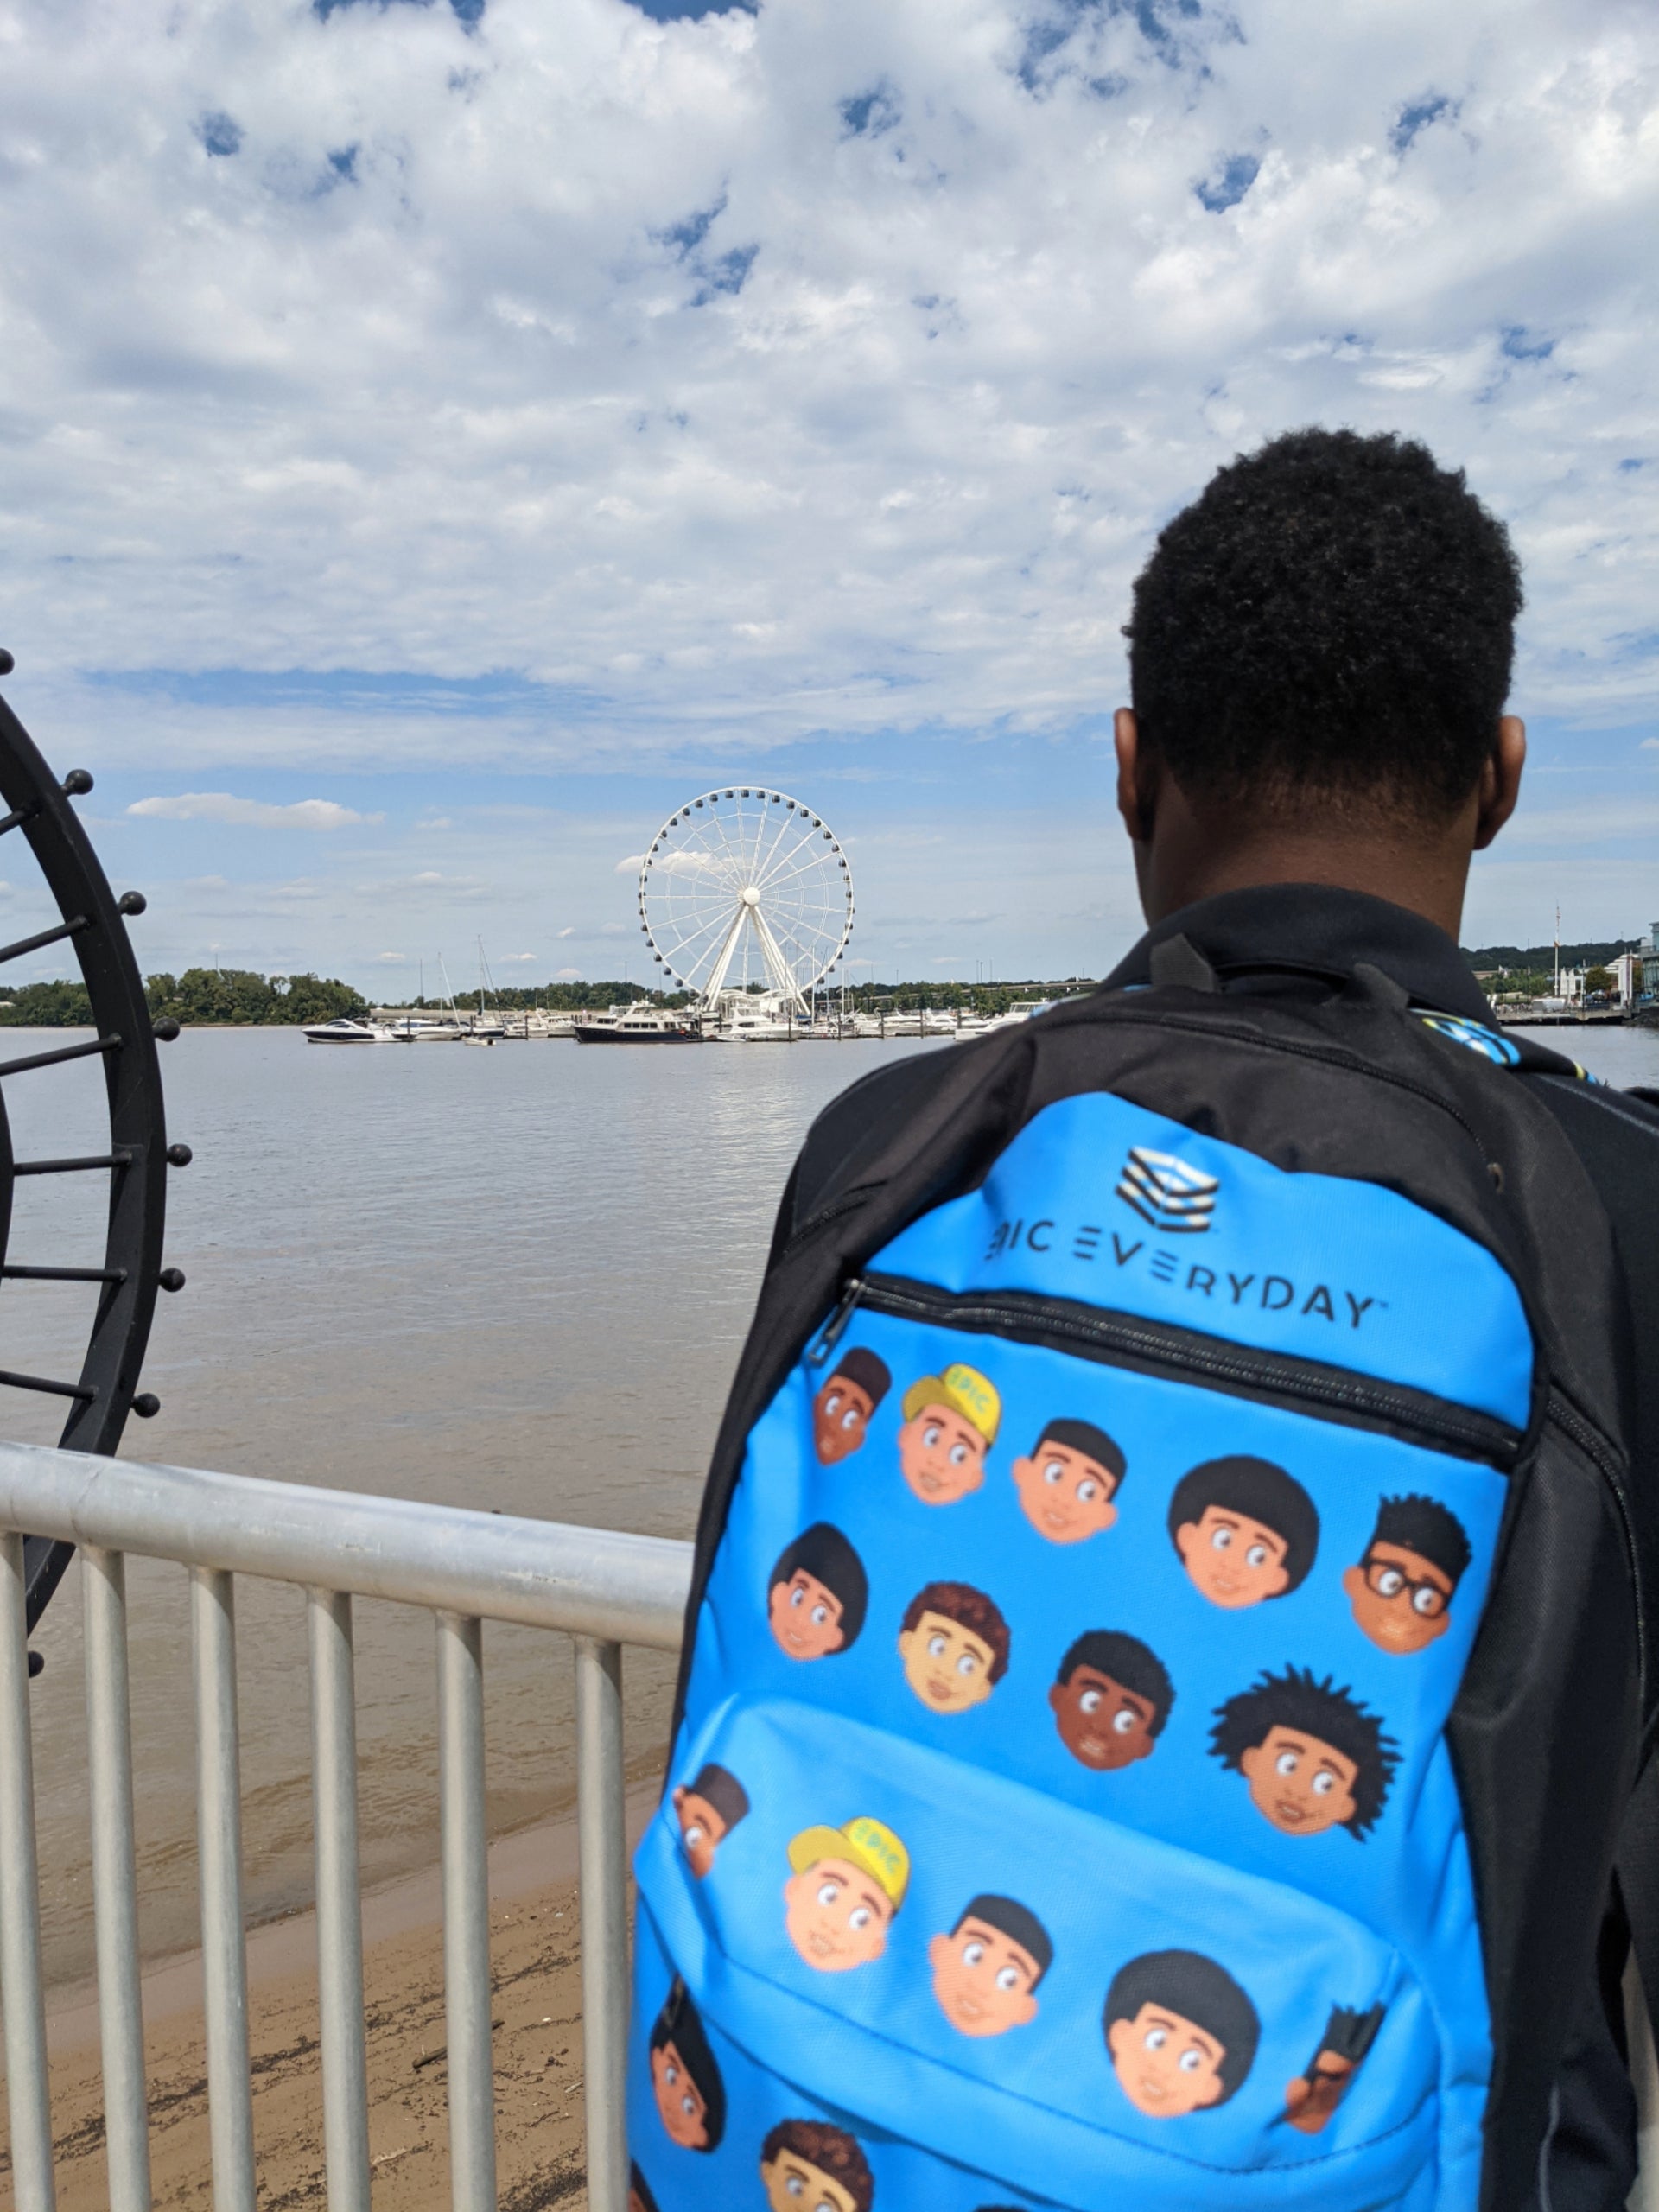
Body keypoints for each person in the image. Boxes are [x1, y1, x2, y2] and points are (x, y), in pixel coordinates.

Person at [753, 428, 1659, 2207]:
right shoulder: (1614, 1200)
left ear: (1128, 767)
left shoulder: (893, 1139)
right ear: (1501, 776)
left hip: (849, 2131)